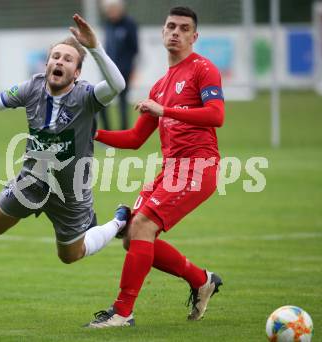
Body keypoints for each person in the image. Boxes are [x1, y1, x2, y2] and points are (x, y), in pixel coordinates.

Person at [0, 14, 131, 265]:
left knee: (70, 256)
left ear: (77, 72)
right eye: (55, 57)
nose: (59, 61)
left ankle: (119, 221)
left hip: (70, 192)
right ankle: (32, 204)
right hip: (32, 181)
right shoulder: (31, 88)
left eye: (67, 59)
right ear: (47, 64)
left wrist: (94, 46)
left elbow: (118, 84)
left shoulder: (87, 97)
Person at [86, 6, 225, 328]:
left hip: (198, 166)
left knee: (143, 228)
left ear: (194, 36)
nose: (176, 32)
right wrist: (90, 134)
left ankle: (122, 312)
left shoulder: (203, 69)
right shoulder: (160, 85)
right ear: (162, 33)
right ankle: (202, 280)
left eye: (183, 28)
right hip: (171, 171)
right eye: (171, 26)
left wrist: (166, 111)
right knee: (132, 237)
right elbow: (135, 138)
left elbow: (216, 115)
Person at [98, 0, 138, 130]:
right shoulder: (107, 24)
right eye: (109, 10)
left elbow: (134, 49)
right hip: (107, 69)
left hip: (124, 70)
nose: (111, 12)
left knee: (122, 102)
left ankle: (124, 131)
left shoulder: (129, 24)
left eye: (113, 9)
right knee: (101, 100)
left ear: (120, 9)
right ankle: (106, 131)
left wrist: (131, 68)